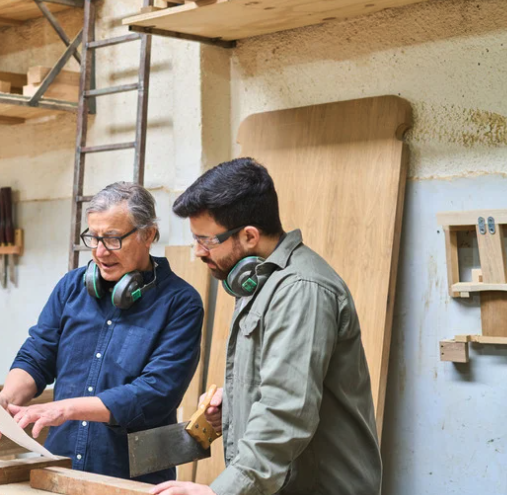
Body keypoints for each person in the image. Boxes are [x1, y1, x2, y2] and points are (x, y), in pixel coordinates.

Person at [152, 158, 381, 495]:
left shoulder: (302, 290)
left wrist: (219, 493)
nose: (199, 253)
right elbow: (284, 382)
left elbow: (287, 410)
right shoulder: (256, 281)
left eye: (206, 241)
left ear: (248, 236)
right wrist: (231, 405)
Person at [0, 181, 205, 484]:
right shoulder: (71, 287)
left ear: (148, 235)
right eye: (93, 238)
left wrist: (65, 409)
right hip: (60, 467)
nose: (100, 252)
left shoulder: (180, 303)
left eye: (112, 239)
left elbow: (155, 394)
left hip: (135, 478)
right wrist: (4, 401)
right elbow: (38, 355)